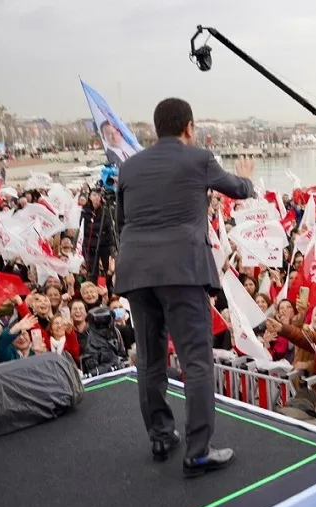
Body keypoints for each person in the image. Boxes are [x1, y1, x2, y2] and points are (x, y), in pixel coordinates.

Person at [115, 97, 256, 478]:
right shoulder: (199, 159)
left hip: (137, 273)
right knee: (196, 361)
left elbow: (122, 221)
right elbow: (237, 189)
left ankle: (161, 436)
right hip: (182, 271)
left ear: (155, 128)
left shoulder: (127, 167)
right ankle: (197, 451)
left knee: (149, 358)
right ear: (189, 127)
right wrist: (248, 177)